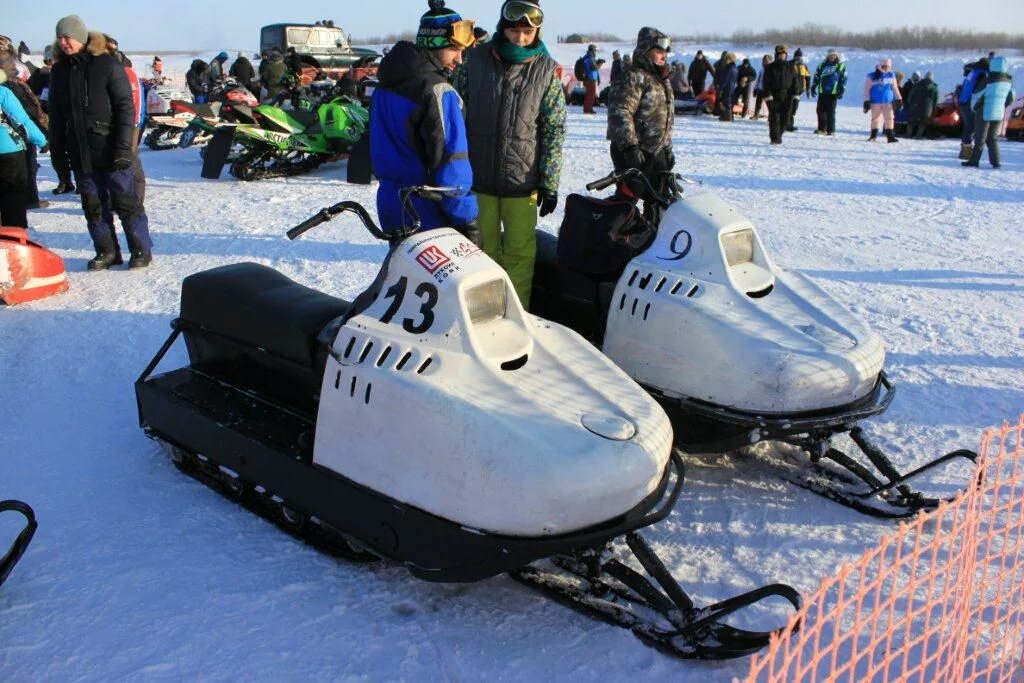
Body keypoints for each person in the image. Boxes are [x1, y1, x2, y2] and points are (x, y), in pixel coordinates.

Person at [453, 0, 566, 308]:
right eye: (515, 31)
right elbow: (454, 116)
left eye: (527, 33)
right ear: (504, 27)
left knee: (519, 254)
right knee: (480, 254)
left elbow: (554, 129)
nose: (520, 38)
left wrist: (549, 182)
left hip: (522, 182)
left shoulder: (545, 70)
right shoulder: (474, 62)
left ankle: (519, 316)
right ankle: (483, 316)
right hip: (479, 181)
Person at [48, 15, 153, 270]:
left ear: (81, 37)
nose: (63, 42)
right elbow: (57, 116)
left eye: (68, 37)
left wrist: (123, 147)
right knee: (93, 206)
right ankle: (106, 251)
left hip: (111, 148)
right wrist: (58, 154)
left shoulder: (106, 64)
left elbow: (125, 107)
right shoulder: (60, 71)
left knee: (125, 202)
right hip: (81, 153)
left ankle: (141, 249)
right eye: (59, 37)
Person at [369, 0, 478, 241]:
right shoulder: (438, 91)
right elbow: (452, 165)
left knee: (407, 275)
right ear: (434, 44)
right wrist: (467, 219)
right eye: (454, 49)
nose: (460, 59)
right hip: (427, 207)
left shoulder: (385, 86)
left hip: (391, 201)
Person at [607, 26, 674, 224]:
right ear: (646, 49)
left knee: (657, 201)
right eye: (659, 50)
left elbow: (663, 117)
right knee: (626, 200)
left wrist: (667, 147)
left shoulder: (661, 78)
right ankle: (611, 237)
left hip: (655, 152)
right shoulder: (633, 76)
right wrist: (630, 147)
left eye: (666, 51)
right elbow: (620, 112)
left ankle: (650, 242)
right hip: (634, 152)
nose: (664, 55)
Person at [0, 68, 47, 228]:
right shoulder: (3, 92)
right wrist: (42, 140)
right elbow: (21, 120)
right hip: (8, 150)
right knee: (13, 197)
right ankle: (15, 237)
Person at [963, 56, 1014, 168]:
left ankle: (974, 161)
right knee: (992, 138)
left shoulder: (989, 80)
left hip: (984, 112)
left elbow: (978, 95)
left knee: (980, 138)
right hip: (999, 113)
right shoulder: (1008, 81)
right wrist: (1002, 105)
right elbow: (1011, 97)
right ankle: (996, 163)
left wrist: (974, 108)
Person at [763, 44, 799, 144]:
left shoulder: (791, 66)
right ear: (776, 55)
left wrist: (796, 96)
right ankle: (775, 138)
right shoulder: (770, 68)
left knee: (785, 119)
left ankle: (779, 134)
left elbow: (795, 81)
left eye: (784, 54)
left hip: (787, 96)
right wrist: (768, 96)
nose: (782, 56)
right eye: (780, 54)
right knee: (775, 118)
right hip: (774, 96)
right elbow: (766, 83)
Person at [863, 58, 902, 142]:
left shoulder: (891, 75)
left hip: (888, 102)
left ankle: (890, 137)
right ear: (880, 66)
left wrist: (899, 98)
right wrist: (866, 100)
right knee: (875, 118)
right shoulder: (871, 76)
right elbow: (866, 89)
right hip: (875, 102)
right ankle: (873, 136)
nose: (885, 68)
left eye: (887, 67)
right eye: (884, 66)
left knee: (889, 118)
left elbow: (895, 88)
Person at [811, 48, 846, 135]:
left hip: (833, 92)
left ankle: (831, 130)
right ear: (827, 56)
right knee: (820, 110)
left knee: (831, 112)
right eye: (830, 55)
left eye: (833, 55)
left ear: (836, 56)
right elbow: (816, 76)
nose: (832, 57)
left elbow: (844, 78)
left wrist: (842, 90)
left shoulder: (840, 66)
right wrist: (813, 86)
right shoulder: (822, 65)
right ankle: (822, 129)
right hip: (822, 91)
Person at [957, 59, 987, 159]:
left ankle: (964, 150)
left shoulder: (973, 72)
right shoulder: (982, 74)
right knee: (971, 127)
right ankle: (966, 152)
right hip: (970, 102)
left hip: (964, 101)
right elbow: (979, 90)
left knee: (968, 127)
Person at [906, 71, 938, 139]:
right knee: (923, 122)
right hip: (927, 109)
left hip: (915, 106)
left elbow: (911, 94)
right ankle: (918, 136)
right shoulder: (934, 87)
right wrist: (934, 107)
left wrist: (909, 102)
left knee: (911, 121)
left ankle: (908, 135)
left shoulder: (917, 84)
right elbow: (936, 99)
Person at [788, 48, 809, 131]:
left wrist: (808, 88)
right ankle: (788, 125)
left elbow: (808, 77)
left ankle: (789, 124)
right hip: (790, 90)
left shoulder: (804, 66)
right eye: (797, 57)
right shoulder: (790, 65)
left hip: (799, 91)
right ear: (794, 57)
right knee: (789, 107)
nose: (798, 58)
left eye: (800, 57)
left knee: (794, 108)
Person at [716, 52, 737, 121]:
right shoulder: (735, 67)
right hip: (732, 87)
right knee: (728, 102)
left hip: (727, 87)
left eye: (726, 59)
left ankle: (728, 118)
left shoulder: (728, 68)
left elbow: (725, 79)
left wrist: (720, 89)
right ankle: (728, 117)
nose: (725, 60)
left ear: (730, 59)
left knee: (726, 102)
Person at [751, 54, 772, 119]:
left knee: (769, 104)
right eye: (764, 60)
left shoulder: (771, 69)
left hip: (767, 89)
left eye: (766, 61)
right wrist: (755, 88)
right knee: (758, 103)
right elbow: (759, 79)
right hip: (760, 88)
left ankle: (771, 116)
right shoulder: (762, 68)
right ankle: (756, 115)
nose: (765, 62)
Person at [582, 44, 600, 114]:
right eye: (595, 50)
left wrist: (598, 78)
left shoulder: (592, 58)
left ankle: (588, 108)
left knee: (591, 95)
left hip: (593, 79)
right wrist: (587, 78)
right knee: (590, 95)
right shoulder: (588, 58)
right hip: (590, 80)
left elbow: (596, 70)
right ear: (592, 50)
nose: (595, 52)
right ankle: (588, 109)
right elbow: (587, 69)